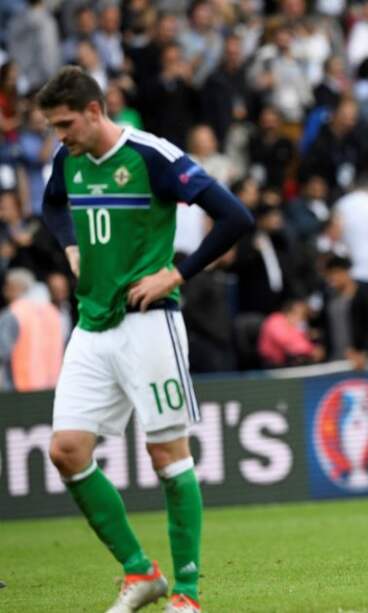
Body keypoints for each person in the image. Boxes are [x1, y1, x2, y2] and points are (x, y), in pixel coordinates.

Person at [38, 67, 253, 613]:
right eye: (52, 127)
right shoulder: (69, 158)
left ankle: (187, 593)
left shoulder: (153, 156)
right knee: (65, 452)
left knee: (166, 453)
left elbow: (234, 217)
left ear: (94, 111)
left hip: (148, 320)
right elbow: (52, 204)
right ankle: (141, 571)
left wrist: (178, 274)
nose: (59, 136)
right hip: (92, 324)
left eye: (65, 123)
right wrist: (70, 249)